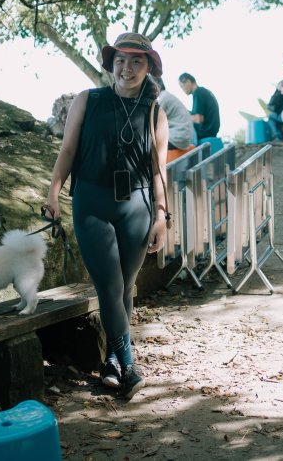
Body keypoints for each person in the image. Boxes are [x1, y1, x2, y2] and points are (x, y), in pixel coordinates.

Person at [44, 32, 170, 400]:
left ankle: (111, 362)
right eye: (120, 60)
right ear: (111, 63)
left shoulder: (155, 113)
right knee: (110, 287)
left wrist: (161, 215)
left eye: (136, 61)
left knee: (125, 288)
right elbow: (67, 150)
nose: (126, 68)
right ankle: (129, 365)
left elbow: (158, 169)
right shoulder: (88, 100)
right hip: (92, 204)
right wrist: (53, 192)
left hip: (138, 207)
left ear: (148, 68)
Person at [156, 77, 195, 154]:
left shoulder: (163, 98)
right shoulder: (166, 96)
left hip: (177, 137)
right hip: (182, 137)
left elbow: (152, 122)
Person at [177, 72, 220, 141]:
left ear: (188, 82)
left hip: (205, 131)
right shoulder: (204, 91)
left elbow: (198, 119)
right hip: (212, 130)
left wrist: (181, 117)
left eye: (182, 86)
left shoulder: (198, 92)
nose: (182, 90)